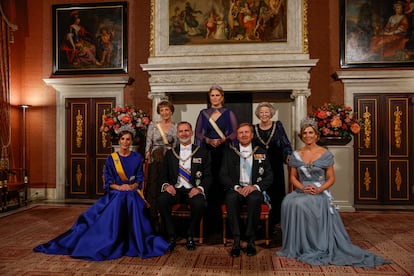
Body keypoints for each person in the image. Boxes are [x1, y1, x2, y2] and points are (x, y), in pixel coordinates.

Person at [33, 129, 170, 261]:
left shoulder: (137, 157)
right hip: (116, 191)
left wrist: (131, 186)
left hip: (132, 191)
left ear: (131, 141)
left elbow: (140, 178)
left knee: (131, 198)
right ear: (119, 140)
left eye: (128, 139)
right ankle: (110, 238)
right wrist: (119, 186)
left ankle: (135, 239)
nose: (125, 142)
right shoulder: (111, 158)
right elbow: (108, 179)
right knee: (120, 197)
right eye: (123, 139)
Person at [276, 118, 391, 267]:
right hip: (301, 189)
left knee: (302, 203)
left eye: (311, 132)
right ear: (302, 136)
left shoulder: (325, 154)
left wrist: (318, 189)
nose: (308, 135)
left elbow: (331, 178)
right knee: (288, 202)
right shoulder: (296, 154)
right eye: (305, 133)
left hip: (320, 190)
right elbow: (292, 177)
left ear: (316, 135)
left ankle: (315, 243)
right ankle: (298, 246)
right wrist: (303, 188)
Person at [220, 123, 273, 257]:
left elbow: (269, 176)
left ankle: (250, 240)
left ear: (252, 135)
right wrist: (237, 187)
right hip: (236, 188)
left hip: (253, 188)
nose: (244, 135)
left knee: (255, 199)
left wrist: (254, 187)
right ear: (237, 136)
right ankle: (236, 240)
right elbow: (223, 174)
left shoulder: (260, 151)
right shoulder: (230, 152)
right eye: (241, 133)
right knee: (231, 199)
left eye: (246, 132)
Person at [158, 121, 212, 251]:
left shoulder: (202, 152)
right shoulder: (171, 154)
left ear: (192, 133)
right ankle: (171, 235)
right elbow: (163, 175)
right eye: (181, 131)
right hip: (175, 190)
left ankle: (190, 235)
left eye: (186, 130)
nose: (184, 134)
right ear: (177, 134)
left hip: (192, 190)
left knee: (200, 204)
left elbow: (209, 176)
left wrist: (199, 189)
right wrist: (166, 186)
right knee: (162, 200)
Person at [194, 84, 238, 236]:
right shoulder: (203, 113)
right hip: (208, 152)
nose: (214, 98)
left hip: (223, 152)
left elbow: (234, 133)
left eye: (217, 95)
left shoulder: (229, 113)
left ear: (222, 97)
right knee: (209, 183)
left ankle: (225, 227)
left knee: (222, 183)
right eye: (212, 95)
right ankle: (209, 226)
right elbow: (197, 133)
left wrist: (223, 139)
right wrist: (206, 140)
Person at [253, 102, 292, 238]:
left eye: (266, 112)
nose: (264, 114)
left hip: (275, 165)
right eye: (262, 112)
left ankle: (275, 223)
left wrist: (288, 155)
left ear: (271, 113)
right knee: (261, 192)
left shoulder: (278, 126)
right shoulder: (254, 128)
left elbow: (286, 143)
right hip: (259, 166)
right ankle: (259, 223)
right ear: (258, 114)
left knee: (276, 193)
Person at [145, 100, 177, 232]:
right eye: (162, 110)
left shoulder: (176, 126)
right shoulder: (153, 125)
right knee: (153, 188)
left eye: (167, 110)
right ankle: (153, 220)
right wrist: (147, 154)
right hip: (155, 158)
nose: (164, 112)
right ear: (159, 112)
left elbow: (176, 144)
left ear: (171, 111)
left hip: (169, 158)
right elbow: (149, 142)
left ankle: (165, 221)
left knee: (165, 188)